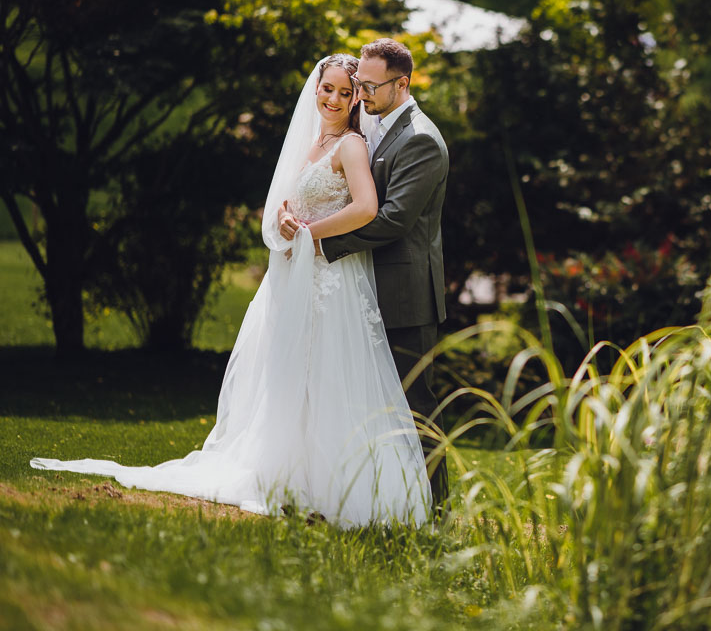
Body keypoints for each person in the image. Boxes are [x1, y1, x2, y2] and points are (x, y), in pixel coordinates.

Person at [31, 54, 432, 527]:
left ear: (357, 98)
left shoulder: (351, 145)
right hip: (296, 277)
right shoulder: (312, 142)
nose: (335, 99)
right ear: (316, 87)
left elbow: (365, 208)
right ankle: (284, 471)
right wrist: (286, 218)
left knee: (325, 375)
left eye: (347, 93)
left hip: (330, 281)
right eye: (329, 89)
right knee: (286, 375)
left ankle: (331, 483)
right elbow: (295, 201)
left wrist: (310, 234)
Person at [280, 38, 450, 509]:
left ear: (403, 84)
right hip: (367, 286)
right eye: (360, 84)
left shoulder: (421, 139)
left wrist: (319, 242)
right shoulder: (377, 122)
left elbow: (393, 219)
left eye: (369, 86)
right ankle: (377, 496)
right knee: (370, 401)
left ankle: (436, 506)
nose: (361, 94)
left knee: (415, 404)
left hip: (406, 294)